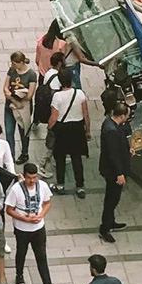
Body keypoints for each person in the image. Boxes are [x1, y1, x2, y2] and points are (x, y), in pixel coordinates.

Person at [5, 162, 64, 284]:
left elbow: (47, 203)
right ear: (24, 176)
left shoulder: (42, 186)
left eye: (34, 177)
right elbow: (9, 210)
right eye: (29, 178)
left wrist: (41, 215)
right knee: (21, 252)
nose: (32, 181)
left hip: (38, 228)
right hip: (22, 228)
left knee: (41, 256)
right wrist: (24, 219)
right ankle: (19, 275)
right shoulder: (16, 190)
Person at [48, 69, 89, 198]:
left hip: (62, 129)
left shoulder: (57, 96)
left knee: (60, 158)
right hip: (77, 128)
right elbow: (86, 114)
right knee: (76, 158)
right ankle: (80, 186)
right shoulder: (80, 93)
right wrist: (87, 130)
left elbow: (54, 117)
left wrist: (50, 128)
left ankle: (60, 184)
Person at [97, 102, 130, 243]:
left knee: (113, 198)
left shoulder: (110, 124)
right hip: (112, 171)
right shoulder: (111, 130)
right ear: (122, 115)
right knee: (112, 199)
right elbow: (113, 154)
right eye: (126, 116)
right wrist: (119, 173)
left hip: (112, 169)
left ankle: (111, 221)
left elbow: (118, 147)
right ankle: (105, 228)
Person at [3, 52, 38, 165]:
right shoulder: (12, 70)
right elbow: (5, 87)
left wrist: (19, 100)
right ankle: (10, 155)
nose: (12, 65)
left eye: (14, 63)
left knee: (23, 131)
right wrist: (13, 100)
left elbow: (30, 94)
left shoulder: (31, 74)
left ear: (21, 62)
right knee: (9, 131)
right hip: (10, 106)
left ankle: (24, 153)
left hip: (23, 107)